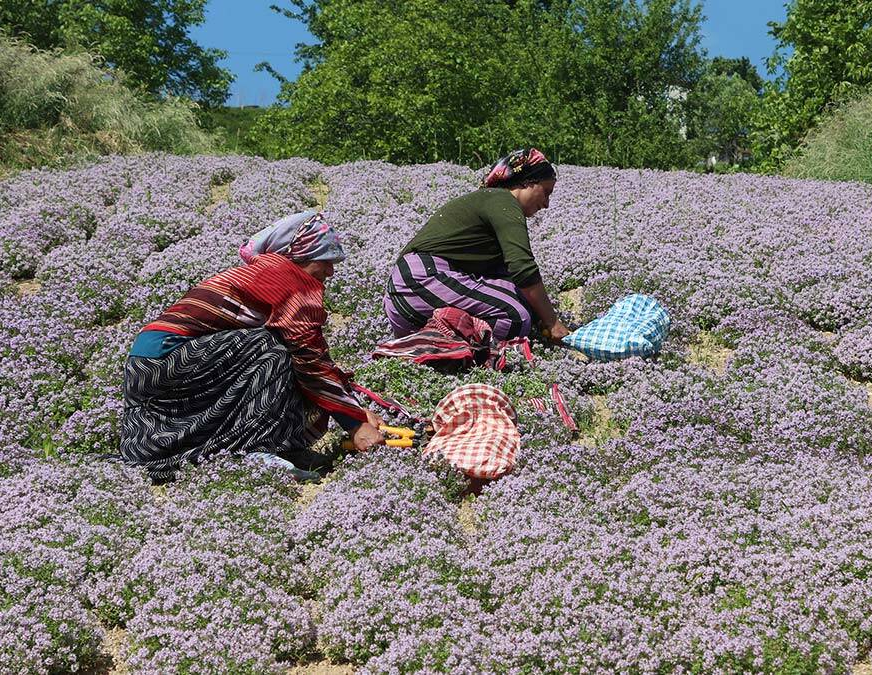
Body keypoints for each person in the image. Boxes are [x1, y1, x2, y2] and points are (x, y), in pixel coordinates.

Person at [120, 213, 384, 482]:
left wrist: (353, 409)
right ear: (302, 255)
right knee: (276, 347)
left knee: (281, 348)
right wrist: (353, 423)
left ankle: (276, 448)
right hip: (168, 360)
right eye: (325, 262)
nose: (331, 272)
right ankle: (253, 449)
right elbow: (310, 358)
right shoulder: (287, 278)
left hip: (152, 365)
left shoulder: (269, 270)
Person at [384, 148, 571, 342]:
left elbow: (510, 279)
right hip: (420, 282)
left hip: (411, 294)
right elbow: (522, 267)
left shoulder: (493, 201)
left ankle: (435, 342)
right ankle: (450, 348)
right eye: (546, 192)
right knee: (515, 318)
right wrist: (552, 322)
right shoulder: (502, 200)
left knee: (524, 304)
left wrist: (538, 315)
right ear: (527, 181)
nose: (547, 204)